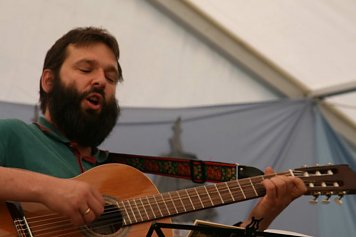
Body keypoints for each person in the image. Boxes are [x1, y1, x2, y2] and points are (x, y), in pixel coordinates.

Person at [0, 27, 306, 231]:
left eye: (111, 76)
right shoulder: (14, 135)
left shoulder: (127, 181)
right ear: (48, 81)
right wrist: (49, 188)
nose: (100, 81)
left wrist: (262, 213)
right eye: (85, 69)